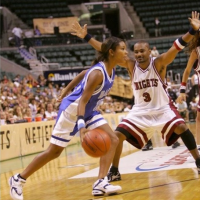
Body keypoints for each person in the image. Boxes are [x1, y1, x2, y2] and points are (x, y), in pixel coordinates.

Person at [70, 11, 200, 182]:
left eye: (142, 51)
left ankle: (198, 162)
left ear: (149, 52)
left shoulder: (159, 62)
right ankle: (114, 171)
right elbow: (106, 49)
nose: (138, 54)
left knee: (182, 128)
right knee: (116, 136)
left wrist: (192, 31)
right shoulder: (131, 65)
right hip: (140, 111)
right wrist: (86, 36)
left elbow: (177, 46)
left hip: (163, 108)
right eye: (136, 51)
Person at [9, 36, 129, 199]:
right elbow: (82, 101)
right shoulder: (97, 73)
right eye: (122, 48)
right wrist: (81, 128)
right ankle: (18, 179)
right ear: (111, 52)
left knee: (113, 139)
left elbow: (82, 73)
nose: (126, 52)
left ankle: (100, 182)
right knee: (54, 152)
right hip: (73, 111)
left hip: (89, 111)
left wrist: (66, 90)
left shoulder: (109, 69)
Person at [177, 28, 200, 147]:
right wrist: (182, 90)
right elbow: (186, 71)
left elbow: (186, 72)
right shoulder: (196, 51)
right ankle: (199, 145)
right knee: (198, 118)